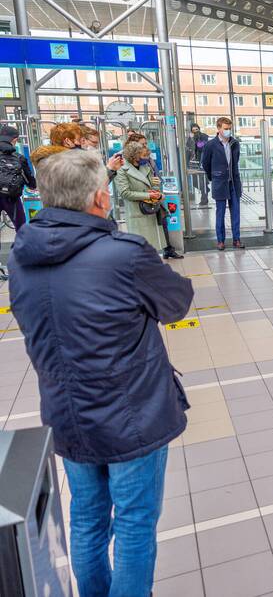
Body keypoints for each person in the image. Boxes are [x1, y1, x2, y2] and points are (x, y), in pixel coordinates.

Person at [8, 149, 194, 597]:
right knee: (134, 523)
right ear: (99, 198)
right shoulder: (123, 255)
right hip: (133, 414)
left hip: (67, 414)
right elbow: (176, 303)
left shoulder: (21, 256)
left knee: (88, 519)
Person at [116, 136, 183, 259]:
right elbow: (125, 193)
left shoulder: (145, 166)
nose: (146, 159)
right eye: (143, 156)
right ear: (134, 156)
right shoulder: (122, 169)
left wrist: (157, 191)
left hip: (151, 209)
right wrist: (148, 195)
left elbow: (153, 185)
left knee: (153, 245)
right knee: (140, 247)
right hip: (137, 212)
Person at [201, 116, 244, 251]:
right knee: (220, 213)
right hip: (219, 183)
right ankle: (220, 241)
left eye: (229, 128)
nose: (228, 131)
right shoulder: (210, 145)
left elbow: (235, 162)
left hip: (233, 183)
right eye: (225, 128)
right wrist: (213, 177)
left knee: (236, 212)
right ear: (219, 128)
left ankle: (236, 239)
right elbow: (205, 163)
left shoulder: (235, 143)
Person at [0, 125, 36, 231]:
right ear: (15, 140)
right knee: (21, 228)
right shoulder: (19, 157)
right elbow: (30, 181)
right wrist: (33, 185)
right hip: (12, 199)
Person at [187, 123, 210, 207]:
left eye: (196, 129)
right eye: (193, 130)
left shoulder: (204, 136)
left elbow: (201, 147)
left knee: (202, 181)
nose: (195, 131)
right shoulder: (190, 138)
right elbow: (188, 148)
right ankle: (206, 189)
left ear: (199, 129)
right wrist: (191, 139)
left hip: (202, 163)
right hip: (193, 164)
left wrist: (195, 140)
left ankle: (204, 199)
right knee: (195, 182)